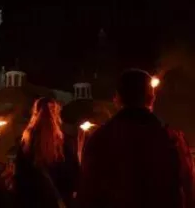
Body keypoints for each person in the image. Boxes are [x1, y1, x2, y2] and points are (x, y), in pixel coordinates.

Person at [77, 69, 195, 208]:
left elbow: (89, 192)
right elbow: (188, 190)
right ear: (152, 98)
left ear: (117, 98)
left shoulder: (100, 139)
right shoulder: (171, 140)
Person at [14, 97, 79, 208]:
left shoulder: (25, 144)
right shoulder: (64, 143)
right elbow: (74, 177)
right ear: (56, 115)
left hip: (32, 202)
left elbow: (20, 180)